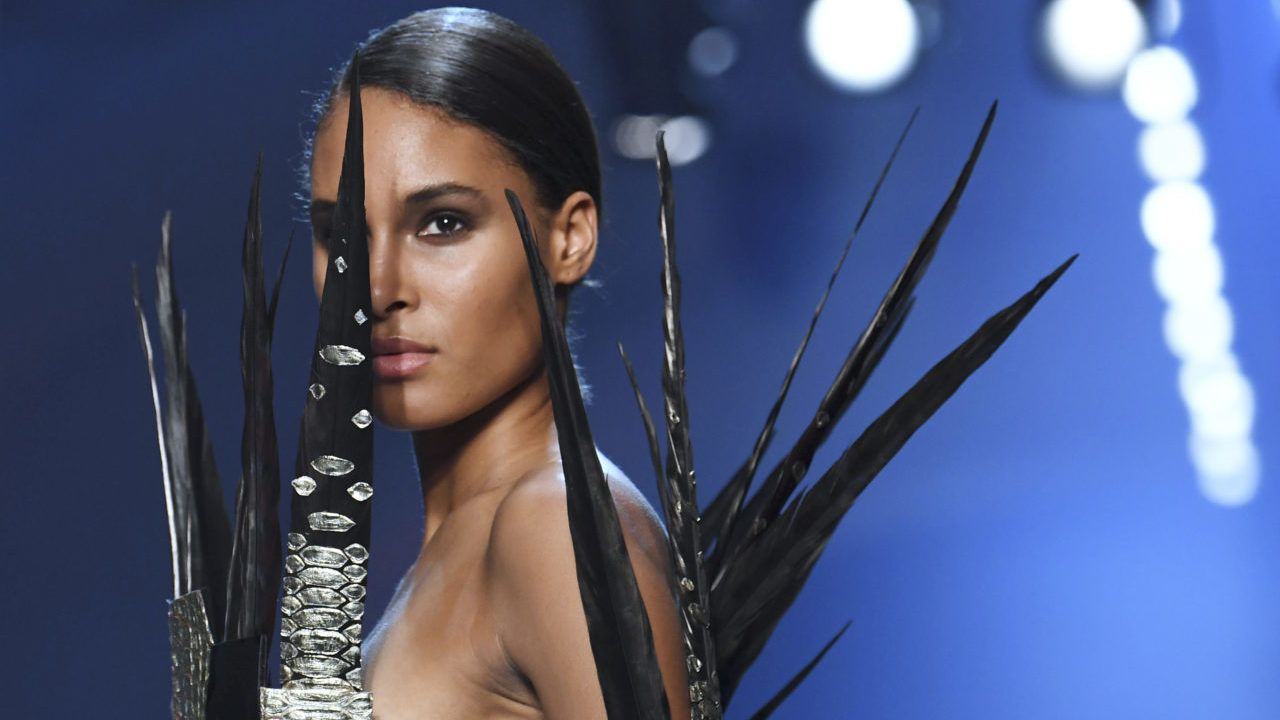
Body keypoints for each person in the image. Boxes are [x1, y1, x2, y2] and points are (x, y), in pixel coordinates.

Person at [306, 8, 691, 719]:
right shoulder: (469, 542)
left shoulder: (550, 527)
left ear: (569, 239)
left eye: (443, 223)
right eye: (341, 235)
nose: (377, 290)